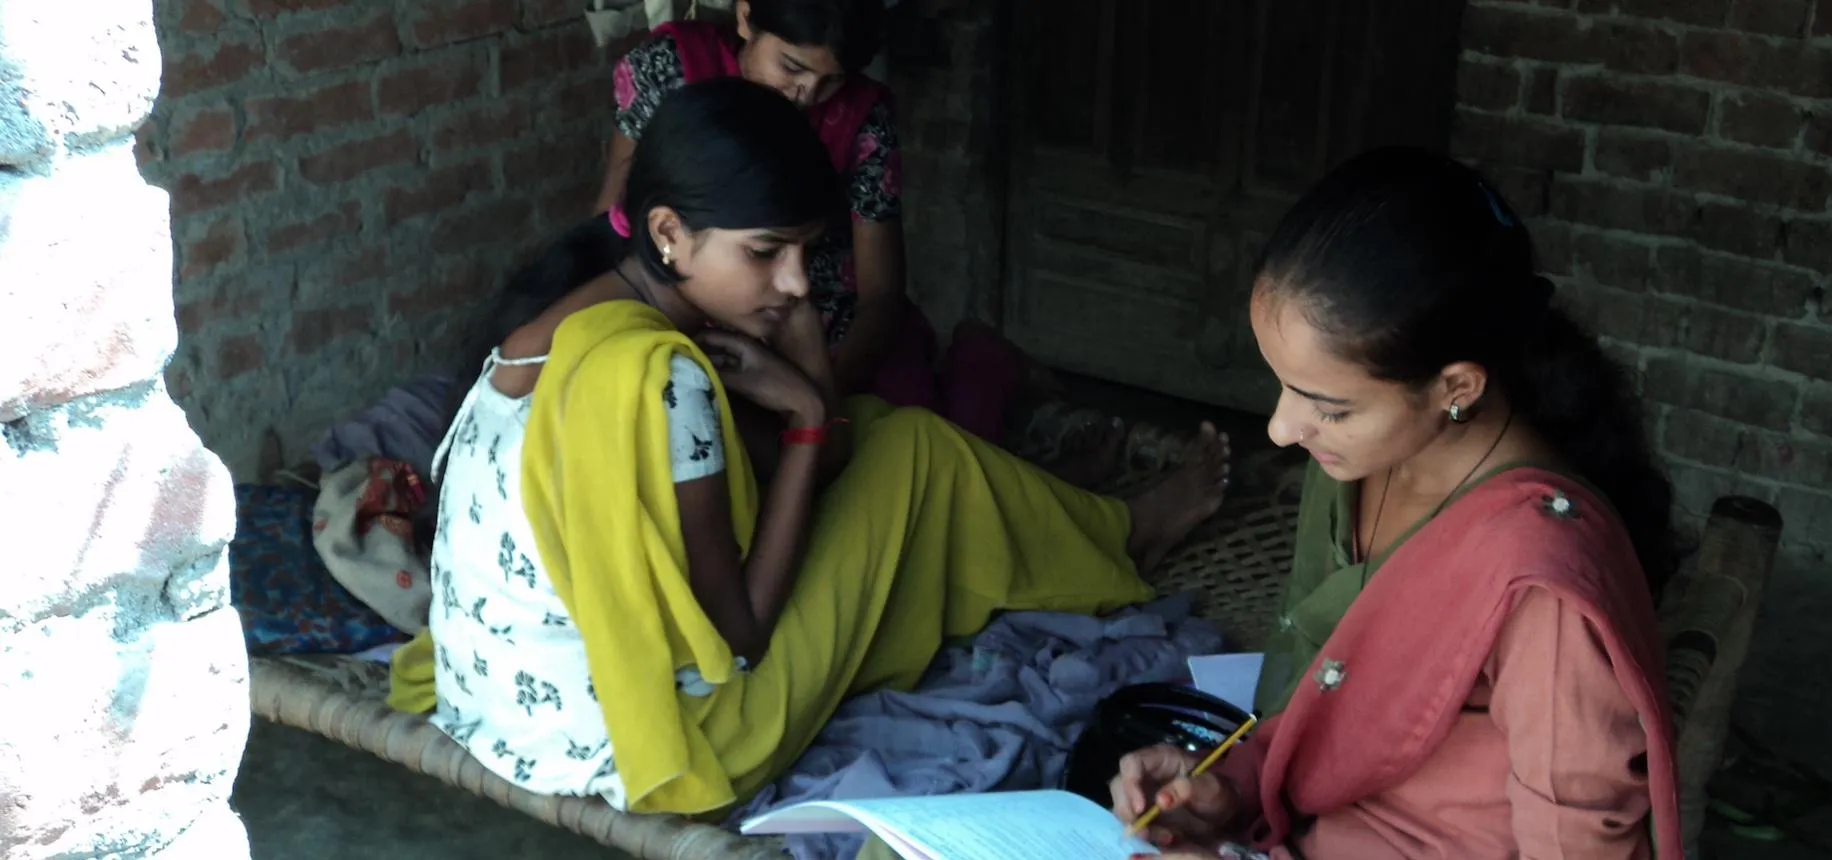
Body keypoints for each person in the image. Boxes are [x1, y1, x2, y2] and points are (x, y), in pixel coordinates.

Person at [388, 78, 1231, 817]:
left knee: (877, 434)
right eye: (766, 254)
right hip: (655, 748)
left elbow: (814, 458)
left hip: (494, 713)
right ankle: (1116, 533)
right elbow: (745, 634)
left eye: (806, 252)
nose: (796, 282)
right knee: (912, 453)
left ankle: (1082, 518)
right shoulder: (658, 379)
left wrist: (801, 382)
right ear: (670, 232)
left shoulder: (547, 331)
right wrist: (798, 409)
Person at [1093, 148, 1687, 860]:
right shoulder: (1357, 467)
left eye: (1328, 407)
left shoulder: (1538, 589)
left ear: (1456, 388)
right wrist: (1234, 784)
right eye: (1282, 387)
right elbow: (1339, 711)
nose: (1282, 429)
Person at [597, 0, 1054, 452]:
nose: (806, 94)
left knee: (909, 444)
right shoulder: (670, 69)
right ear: (745, 16)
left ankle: (981, 366)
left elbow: (880, 295)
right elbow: (613, 219)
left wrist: (815, 396)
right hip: (697, 309)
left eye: (832, 79)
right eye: (791, 66)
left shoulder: (863, 120)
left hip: (825, 324)